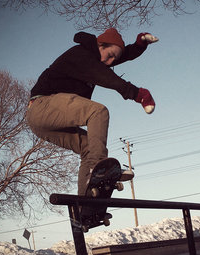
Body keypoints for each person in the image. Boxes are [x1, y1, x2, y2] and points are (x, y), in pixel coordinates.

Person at [26, 28, 157, 196]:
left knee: (89, 147)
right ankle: (100, 168)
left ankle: (86, 206)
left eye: (114, 59)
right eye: (109, 55)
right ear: (100, 45)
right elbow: (107, 77)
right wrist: (138, 94)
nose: (110, 62)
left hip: (43, 124)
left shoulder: (100, 55)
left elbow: (121, 54)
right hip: (42, 105)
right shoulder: (82, 55)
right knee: (98, 112)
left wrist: (140, 45)